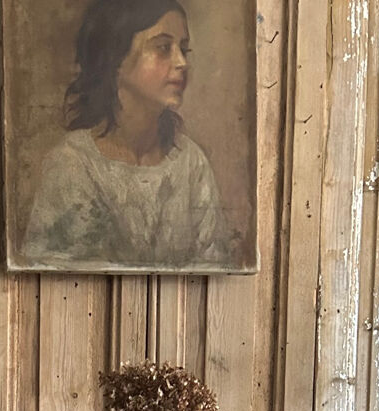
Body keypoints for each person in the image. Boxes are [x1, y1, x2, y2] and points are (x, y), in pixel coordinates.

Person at [22, 0, 231, 270]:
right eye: (163, 48)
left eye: (184, 49)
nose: (181, 62)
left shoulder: (191, 163)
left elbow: (214, 267)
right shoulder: (72, 164)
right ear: (115, 59)